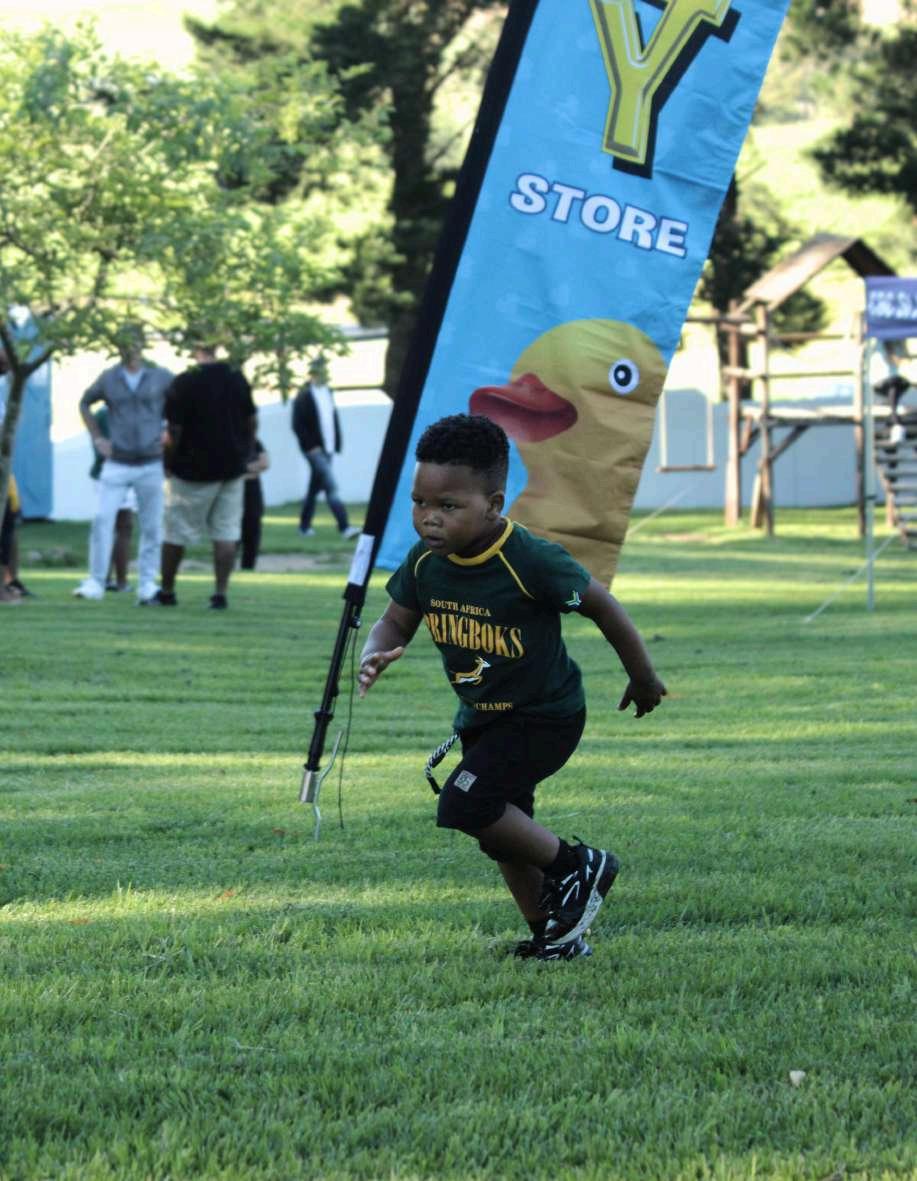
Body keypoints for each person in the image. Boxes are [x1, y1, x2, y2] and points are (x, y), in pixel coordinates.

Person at [358, 414, 666, 961]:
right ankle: (554, 936)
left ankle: (579, 866)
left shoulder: (529, 560)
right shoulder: (425, 562)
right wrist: (374, 652)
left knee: (464, 803)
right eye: (419, 502)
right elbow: (394, 621)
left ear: (494, 504)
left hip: (543, 717)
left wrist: (642, 676)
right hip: (483, 719)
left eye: (448, 506)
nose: (429, 517)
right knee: (500, 831)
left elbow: (602, 606)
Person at [148, 344, 256, 610]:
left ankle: (167, 591)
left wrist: (168, 462)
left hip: (191, 469)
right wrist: (246, 452)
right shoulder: (235, 377)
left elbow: (173, 430)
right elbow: (251, 419)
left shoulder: (184, 382)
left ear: (193, 348)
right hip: (231, 468)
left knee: (176, 532)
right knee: (226, 532)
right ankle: (220, 594)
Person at [73, 327, 173, 604]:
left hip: (151, 461)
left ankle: (147, 584)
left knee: (152, 525)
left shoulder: (161, 376)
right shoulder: (109, 378)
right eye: (125, 344)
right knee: (102, 519)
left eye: (135, 342)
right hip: (117, 461)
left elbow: (181, 404)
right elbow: (85, 403)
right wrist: (98, 438)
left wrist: (170, 433)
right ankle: (96, 581)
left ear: (142, 344)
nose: (131, 348)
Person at [291, 356, 360, 540]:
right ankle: (345, 527)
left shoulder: (328, 392)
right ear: (313, 373)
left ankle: (304, 527)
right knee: (331, 487)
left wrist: (336, 443)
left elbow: (331, 419)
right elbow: (297, 424)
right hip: (314, 451)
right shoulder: (304, 394)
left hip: (328, 449)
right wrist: (310, 447)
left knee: (314, 489)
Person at [89, 406, 135, 592]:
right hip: (117, 474)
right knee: (123, 526)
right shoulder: (113, 413)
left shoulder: (102, 413)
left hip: (106, 475)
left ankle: (104, 578)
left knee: (109, 527)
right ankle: (120, 581)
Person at [869, 338, 912, 447]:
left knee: (896, 385)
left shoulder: (899, 342)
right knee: (893, 386)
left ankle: (894, 423)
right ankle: (896, 423)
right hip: (879, 382)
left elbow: (904, 359)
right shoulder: (878, 343)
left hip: (893, 382)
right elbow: (892, 358)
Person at [239, 436, 269, 571]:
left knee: (253, 526)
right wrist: (250, 469)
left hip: (252, 488)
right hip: (233, 489)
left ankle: (248, 567)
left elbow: (264, 463)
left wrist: (242, 469)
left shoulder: (254, 441)